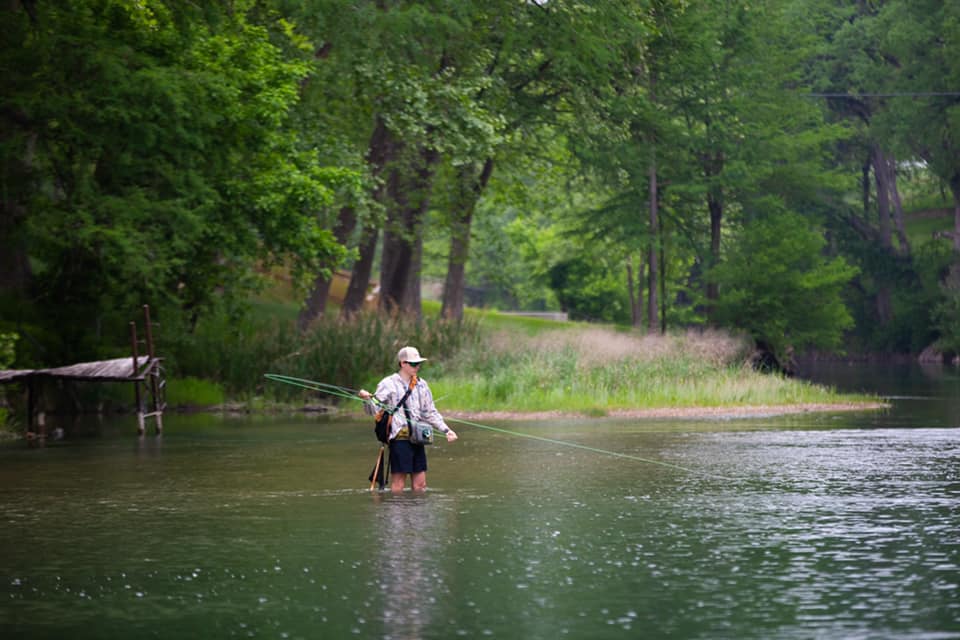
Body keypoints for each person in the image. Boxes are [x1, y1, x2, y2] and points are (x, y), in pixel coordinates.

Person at [358, 346, 457, 493]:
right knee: (398, 484)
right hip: (399, 439)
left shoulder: (422, 385)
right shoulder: (388, 383)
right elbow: (373, 410)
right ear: (402, 363)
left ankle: (417, 514)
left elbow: (430, 412)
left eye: (418, 364)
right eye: (413, 363)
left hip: (418, 438)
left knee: (421, 485)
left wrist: (446, 430)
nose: (417, 367)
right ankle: (398, 514)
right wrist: (366, 399)